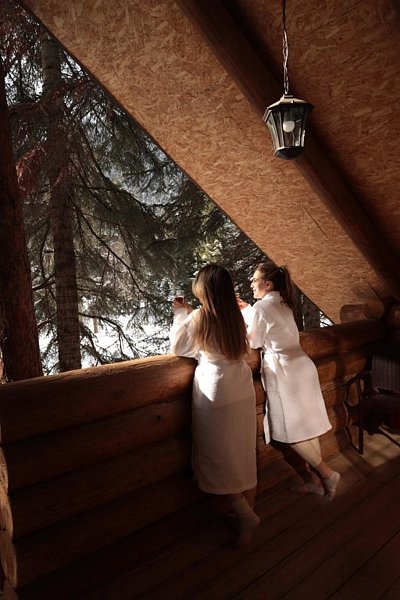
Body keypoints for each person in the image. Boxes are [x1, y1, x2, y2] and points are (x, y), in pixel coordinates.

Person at [169, 264, 259, 545]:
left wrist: (180, 314)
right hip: (241, 388)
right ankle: (247, 518)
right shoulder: (234, 315)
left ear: (203, 290)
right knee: (243, 453)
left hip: (216, 392)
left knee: (218, 456)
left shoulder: (200, 317)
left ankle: (245, 515)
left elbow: (179, 347)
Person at [239, 262, 340, 500]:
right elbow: (271, 323)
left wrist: (243, 317)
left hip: (284, 370)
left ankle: (328, 474)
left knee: (288, 429)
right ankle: (316, 481)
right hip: (302, 366)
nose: (251, 284)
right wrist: (247, 310)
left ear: (267, 284)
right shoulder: (282, 303)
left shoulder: (263, 307)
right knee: (308, 426)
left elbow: (255, 342)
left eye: (254, 280)